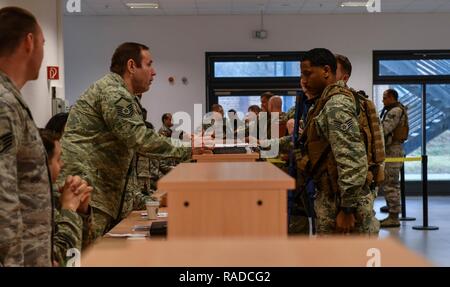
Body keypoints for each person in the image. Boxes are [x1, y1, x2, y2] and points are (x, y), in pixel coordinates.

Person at [59, 42, 193, 243]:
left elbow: (128, 161)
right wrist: (190, 149)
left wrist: (149, 200)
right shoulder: (114, 93)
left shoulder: (121, 93)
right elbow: (140, 139)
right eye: (149, 65)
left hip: (98, 192)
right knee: (86, 257)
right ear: (131, 66)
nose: (154, 72)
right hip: (88, 192)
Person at [0, 6, 86, 266]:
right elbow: (3, 197)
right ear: (29, 42)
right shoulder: (3, 103)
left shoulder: (12, 99)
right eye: (43, 43)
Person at [298, 48, 377, 235]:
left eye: (308, 74)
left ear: (326, 71)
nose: (304, 80)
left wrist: (347, 209)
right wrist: (263, 147)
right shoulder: (324, 102)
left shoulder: (336, 105)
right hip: (334, 198)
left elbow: (352, 159)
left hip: (342, 205)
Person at [39, 129, 93, 266]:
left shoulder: (50, 196)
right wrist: (69, 210)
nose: (62, 165)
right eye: (58, 159)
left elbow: (78, 256)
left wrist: (82, 213)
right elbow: (59, 260)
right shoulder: (26, 207)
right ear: (42, 164)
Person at [379, 89, 409, 228]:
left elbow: (384, 130)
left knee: (390, 184)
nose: (382, 100)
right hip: (392, 150)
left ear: (391, 97)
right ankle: (392, 211)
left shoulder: (394, 111)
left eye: (384, 98)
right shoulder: (395, 109)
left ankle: (393, 217)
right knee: (390, 184)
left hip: (392, 151)